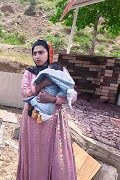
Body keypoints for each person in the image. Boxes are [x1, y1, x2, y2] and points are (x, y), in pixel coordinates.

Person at [16, 39, 77, 180]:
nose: (37, 56)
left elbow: (72, 97)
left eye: (41, 52)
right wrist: (40, 84)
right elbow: (24, 93)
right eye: (34, 53)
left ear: (49, 53)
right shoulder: (29, 72)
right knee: (34, 152)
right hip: (32, 120)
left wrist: (53, 99)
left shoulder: (60, 70)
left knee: (54, 153)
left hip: (54, 120)